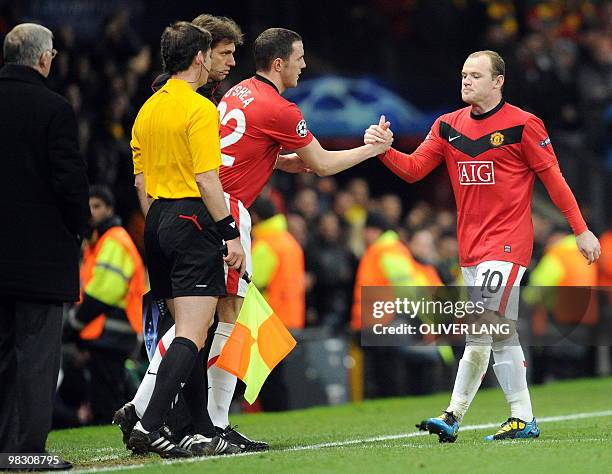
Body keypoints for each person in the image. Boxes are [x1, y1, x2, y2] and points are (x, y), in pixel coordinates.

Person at [130, 27, 394, 452]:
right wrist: (371, 150)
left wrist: (300, 163)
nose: (304, 65)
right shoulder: (281, 109)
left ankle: (182, 415)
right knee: (216, 320)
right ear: (279, 63)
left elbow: (268, 155)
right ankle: (180, 415)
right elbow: (323, 165)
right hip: (221, 210)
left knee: (204, 319)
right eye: (299, 57)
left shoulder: (239, 94)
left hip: (175, 208)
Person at [365, 50, 601, 442]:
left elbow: (554, 180)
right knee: (502, 334)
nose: (466, 81)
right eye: (463, 74)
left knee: (481, 329)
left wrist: (580, 229)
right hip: (471, 249)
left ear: (498, 81)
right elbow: (413, 170)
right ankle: (522, 418)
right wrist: (384, 149)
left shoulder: (523, 125)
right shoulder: (446, 126)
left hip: (507, 245)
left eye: (475, 75)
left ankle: (453, 414)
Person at [114, 13, 254, 453]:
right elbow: (209, 180)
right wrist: (229, 232)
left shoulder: (148, 107)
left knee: (186, 327)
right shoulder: (199, 108)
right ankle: (149, 423)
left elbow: (139, 183)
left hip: (155, 220)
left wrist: (159, 225)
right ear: (198, 57)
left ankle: (193, 427)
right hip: (192, 218)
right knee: (195, 332)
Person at [0, 23, 89, 465]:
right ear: (42, 59)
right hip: (39, 261)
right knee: (35, 360)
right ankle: (25, 453)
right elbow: (69, 181)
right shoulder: (53, 108)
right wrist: (82, 225)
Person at [62, 185, 145, 424]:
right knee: (105, 390)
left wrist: (74, 323)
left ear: (109, 209)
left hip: (113, 329)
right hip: (107, 329)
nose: (91, 211)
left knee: (107, 394)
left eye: (97, 206)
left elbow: (104, 292)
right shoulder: (97, 241)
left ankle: (115, 430)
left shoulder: (114, 240)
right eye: (88, 206)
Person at [250, 197, 305, 411]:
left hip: (268, 318)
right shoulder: (289, 241)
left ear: (255, 217)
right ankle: (280, 410)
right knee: (278, 373)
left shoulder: (266, 244)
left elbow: (255, 280)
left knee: (268, 376)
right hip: (290, 316)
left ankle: (273, 411)